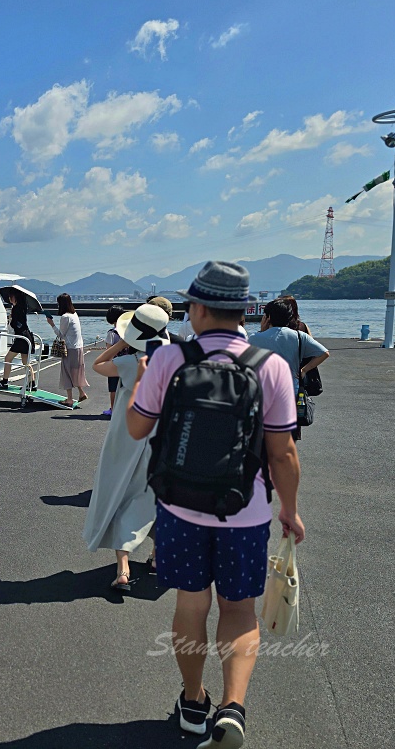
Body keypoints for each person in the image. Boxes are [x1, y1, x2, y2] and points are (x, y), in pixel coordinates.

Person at [127, 260, 306, 747]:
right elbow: (283, 452)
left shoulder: (169, 360)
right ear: (244, 311)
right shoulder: (269, 367)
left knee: (191, 603)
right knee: (239, 611)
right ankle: (233, 708)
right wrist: (288, 510)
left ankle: (192, 702)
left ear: (198, 308)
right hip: (243, 513)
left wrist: (143, 380)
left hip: (180, 509)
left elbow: (137, 428)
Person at [85, 303, 170, 590]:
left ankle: (123, 568)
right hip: (158, 439)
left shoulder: (129, 362)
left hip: (126, 437)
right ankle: (158, 556)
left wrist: (122, 342)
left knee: (120, 495)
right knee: (152, 498)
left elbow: (96, 365)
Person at [249, 298, 329, 440]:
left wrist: (261, 331)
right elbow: (323, 353)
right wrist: (303, 370)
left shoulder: (255, 338)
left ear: (268, 318)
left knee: (261, 440)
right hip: (290, 394)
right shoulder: (299, 336)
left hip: (262, 395)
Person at [45, 293, 89, 406]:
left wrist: (52, 324)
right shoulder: (74, 314)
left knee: (66, 372)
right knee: (75, 371)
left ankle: (69, 399)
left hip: (70, 349)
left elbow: (61, 335)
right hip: (79, 347)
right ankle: (81, 393)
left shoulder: (65, 317)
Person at [0, 290, 35, 390]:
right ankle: (32, 383)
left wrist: (11, 319)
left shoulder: (16, 309)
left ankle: (4, 381)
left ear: (15, 297)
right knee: (26, 362)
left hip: (21, 338)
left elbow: (15, 324)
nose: (9, 298)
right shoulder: (22, 308)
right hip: (26, 336)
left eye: (11, 296)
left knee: (8, 359)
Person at [100, 305, 126, 417]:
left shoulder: (112, 333)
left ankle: (113, 409)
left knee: (113, 388)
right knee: (125, 387)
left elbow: (108, 351)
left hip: (115, 363)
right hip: (128, 362)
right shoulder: (127, 331)